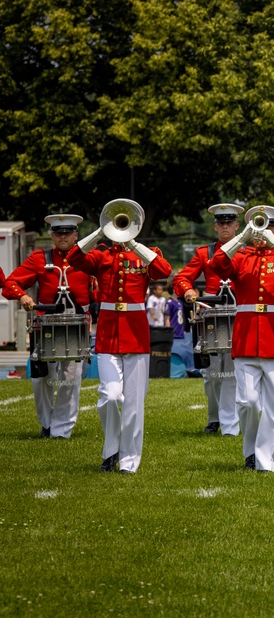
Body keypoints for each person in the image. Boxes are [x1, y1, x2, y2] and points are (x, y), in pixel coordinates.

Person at [67, 201, 172, 473]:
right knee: (111, 396)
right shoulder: (102, 255)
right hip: (108, 336)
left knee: (134, 405)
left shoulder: (146, 254)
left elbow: (164, 271)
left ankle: (128, 461)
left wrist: (134, 244)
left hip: (136, 336)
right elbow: (74, 259)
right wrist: (101, 232)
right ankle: (111, 450)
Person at [210, 204, 274, 472]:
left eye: (270, 227)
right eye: (261, 226)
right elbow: (216, 265)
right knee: (248, 403)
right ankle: (250, 451)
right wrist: (240, 238)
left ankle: (265, 460)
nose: (264, 231)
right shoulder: (242, 256)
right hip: (245, 339)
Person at [2, 214, 92, 439]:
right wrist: (22, 296)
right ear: (52, 235)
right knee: (41, 377)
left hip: (76, 324)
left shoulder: (89, 257)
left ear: (76, 235)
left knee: (70, 378)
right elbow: (10, 284)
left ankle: (62, 430)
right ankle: (47, 423)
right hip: (46, 324)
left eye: (67, 233)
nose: (63, 237)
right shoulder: (39, 258)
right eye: (58, 233)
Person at [173, 202, 245, 436]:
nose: (225, 227)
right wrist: (187, 290)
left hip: (239, 314)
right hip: (211, 315)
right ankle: (215, 417)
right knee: (212, 373)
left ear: (237, 225)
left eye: (229, 223)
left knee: (233, 370)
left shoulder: (246, 251)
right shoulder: (205, 252)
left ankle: (230, 422)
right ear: (215, 227)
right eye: (220, 223)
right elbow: (182, 277)